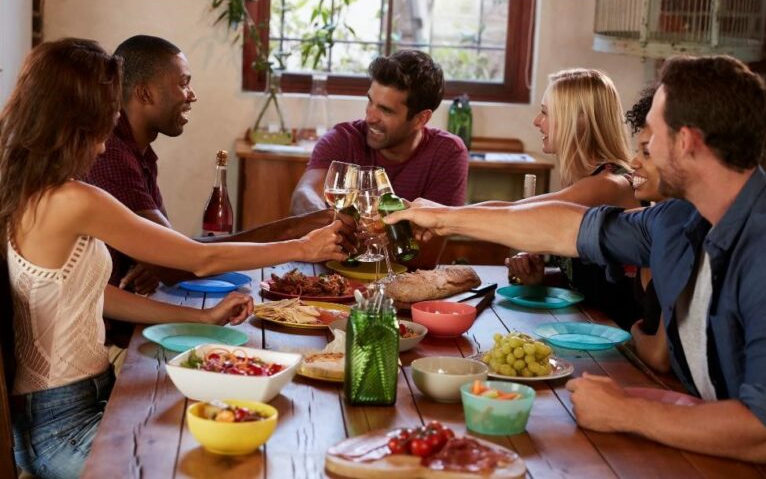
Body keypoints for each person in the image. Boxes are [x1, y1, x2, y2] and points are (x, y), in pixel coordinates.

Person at [383, 55, 766, 462]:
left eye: (653, 133)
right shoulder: (679, 219)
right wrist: (443, 218)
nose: (643, 147)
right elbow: (567, 227)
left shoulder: (760, 246)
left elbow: (761, 430)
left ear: (687, 141)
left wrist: (628, 412)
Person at [0, 38, 347, 479]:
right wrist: (303, 246)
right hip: (63, 428)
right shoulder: (73, 200)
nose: (109, 137)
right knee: (219, 460)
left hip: (73, 407)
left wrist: (201, 321)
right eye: (106, 118)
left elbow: (91, 294)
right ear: (78, 117)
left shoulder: (26, 188)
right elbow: (197, 258)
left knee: (225, 430)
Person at [86, 35, 354, 296]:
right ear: (145, 93)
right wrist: (294, 231)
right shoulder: (112, 154)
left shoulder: (138, 150)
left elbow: (169, 249)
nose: (192, 96)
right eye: (183, 83)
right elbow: (180, 260)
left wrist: (158, 258)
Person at [289, 49, 469, 268]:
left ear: (421, 118)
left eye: (385, 110)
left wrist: (358, 239)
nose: (370, 116)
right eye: (370, 101)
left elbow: (425, 258)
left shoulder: (447, 153)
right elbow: (302, 196)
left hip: (401, 286)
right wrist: (329, 218)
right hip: (333, 278)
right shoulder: (343, 139)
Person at [502, 69, 640, 329]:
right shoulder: (583, 180)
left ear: (581, 120)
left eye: (546, 112)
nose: (536, 121)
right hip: (591, 330)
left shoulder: (610, 184)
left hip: (627, 349)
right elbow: (598, 280)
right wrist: (542, 279)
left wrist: (438, 215)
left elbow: (517, 214)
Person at [625, 87, 669, 373]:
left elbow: (660, 357)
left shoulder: (690, 233)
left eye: (647, 152)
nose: (633, 162)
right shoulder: (649, 220)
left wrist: (633, 334)